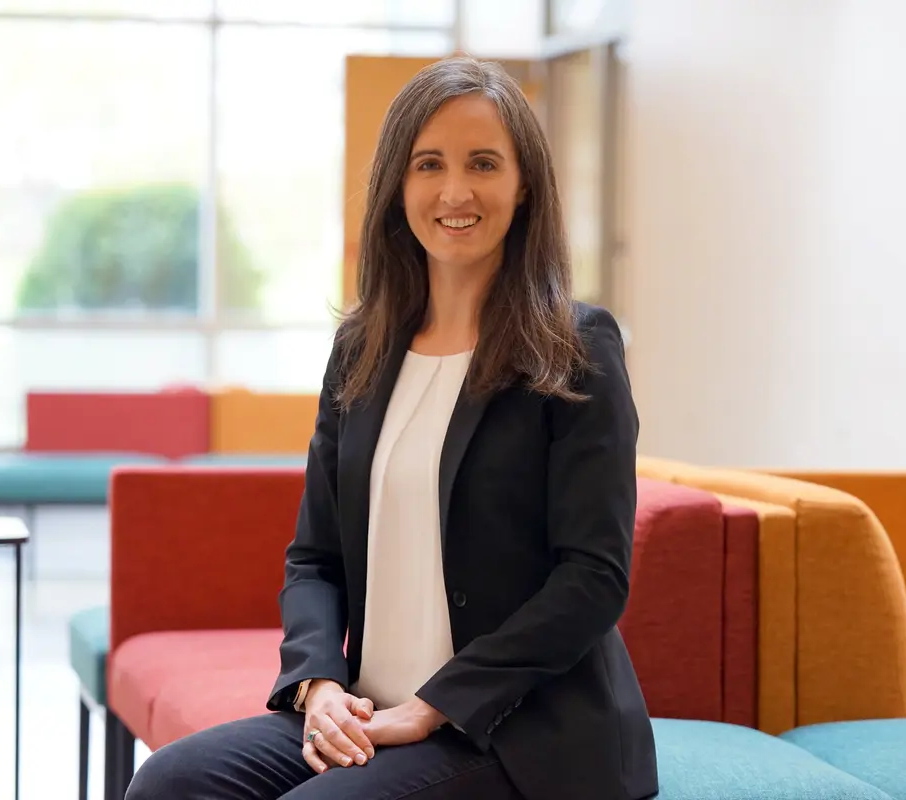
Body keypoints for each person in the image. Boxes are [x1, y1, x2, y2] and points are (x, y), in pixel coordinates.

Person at [125, 54, 658, 800]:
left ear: (524, 183)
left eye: (483, 164)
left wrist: (436, 704)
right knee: (170, 784)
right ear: (397, 187)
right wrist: (318, 685)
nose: (454, 191)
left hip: (511, 730)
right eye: (428, 164)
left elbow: (594, 577)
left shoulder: (576, 346)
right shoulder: (362, 348)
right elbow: (314, 559)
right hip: (371, 708)